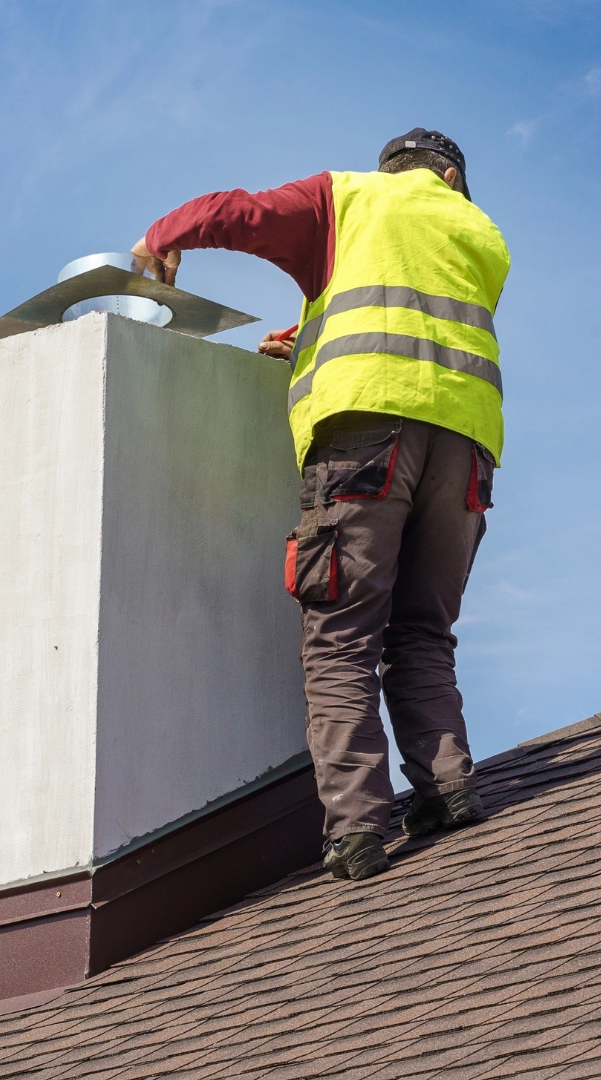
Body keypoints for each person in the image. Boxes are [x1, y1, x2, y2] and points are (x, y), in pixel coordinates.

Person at [132, 129, 510, 882]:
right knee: (424, 630)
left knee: (340, 637)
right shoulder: (480, 232)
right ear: (450, 176)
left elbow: (238, 213)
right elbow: (414, 323)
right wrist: (308, 337)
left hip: (366, 440)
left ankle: (360, 829)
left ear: (394, 169)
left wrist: (159, 235)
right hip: (465, 450)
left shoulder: (349, 196)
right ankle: (448, 788)